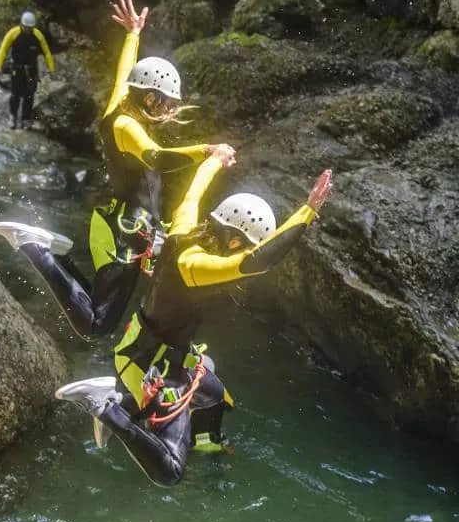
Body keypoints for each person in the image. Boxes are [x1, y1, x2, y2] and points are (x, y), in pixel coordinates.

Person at [56, 157, 334, 486]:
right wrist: (308, 211)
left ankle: (197, 439)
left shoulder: (186, 229)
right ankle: (105, 408)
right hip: (148, 366)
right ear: (234, 242)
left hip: (164, 351)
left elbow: (193, 192)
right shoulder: (195, 267)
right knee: (170, 472)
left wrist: (215, 159)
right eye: (245, 245)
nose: (243, 251)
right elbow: (258, 262)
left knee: (215, 396)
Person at [0, 0, 235, 340]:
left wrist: (133, 34)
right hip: (122, 230)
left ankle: (46, 251)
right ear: (150, 97)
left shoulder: (124, 103)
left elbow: (125, 71)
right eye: (166, 102)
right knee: (95, 324)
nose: (169, 111)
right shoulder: (126, 125)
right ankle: (35, 247)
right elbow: (155, 158)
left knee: (102, 306)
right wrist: (207, 151)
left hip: (128, 225)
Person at [0, 10, 55, 130]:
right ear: (22, 25)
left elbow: (47, 53)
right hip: (16, 68)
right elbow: (3, 50)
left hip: (31, 70)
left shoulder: (37, 35)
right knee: (15, 94)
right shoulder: (13, 33)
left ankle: (25, 119)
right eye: (27, 27)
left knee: (29, 95)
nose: (28, 30)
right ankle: (13, 116)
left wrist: (51, 69)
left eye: (31, 27)